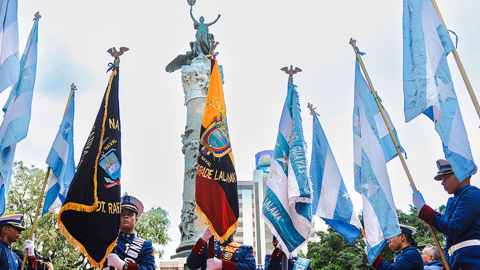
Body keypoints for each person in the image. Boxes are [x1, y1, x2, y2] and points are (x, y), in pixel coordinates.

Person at [412, 159, 480, 269]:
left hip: (472, 260)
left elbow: (453, 228)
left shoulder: (472, 194)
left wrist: (424, 209)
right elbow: (450, 241)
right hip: (456, 261)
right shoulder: (452, 201)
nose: (443, 182)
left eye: (446, 177)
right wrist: (447, 262)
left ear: (460, 174)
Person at [106, 195, 155, 270]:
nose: (126, 216)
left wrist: (125, 266)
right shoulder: (108, 240)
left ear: (136, 220)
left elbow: (150, 268)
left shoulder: (145, 245)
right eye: (122, 213)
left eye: (130, 214)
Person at [187, 226, 256, 270]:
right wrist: (203, 239)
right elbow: (192, 264)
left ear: (235, 228)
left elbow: (251, 267)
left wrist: (222, 265)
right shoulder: (208, 245)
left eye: (229, 223)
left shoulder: (246, 249)